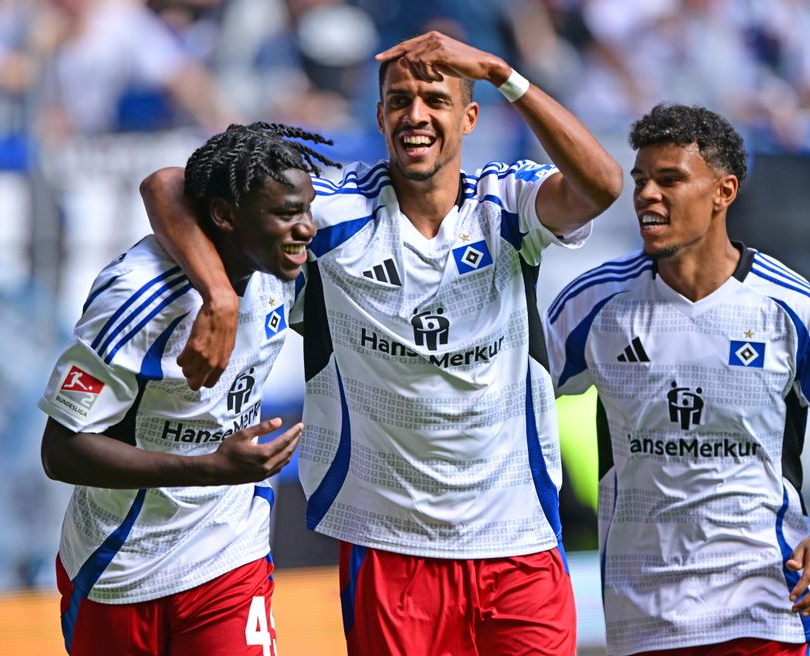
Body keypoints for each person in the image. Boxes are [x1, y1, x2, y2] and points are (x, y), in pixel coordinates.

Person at [140, 31, 623, 655]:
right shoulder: (336, 217)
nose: (415, 115)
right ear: (379, 115)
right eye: (399, 100)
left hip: (518, 541)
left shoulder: (505, 205)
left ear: (470, 116)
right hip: (390, 544)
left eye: (435, 99)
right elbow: (167, 184)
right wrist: (220, 296)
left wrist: (503, 72)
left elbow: (603, 184)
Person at [545, 103, 810, 656]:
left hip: (763, 606)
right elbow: (511, 404)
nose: (647, 196)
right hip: (642, 614)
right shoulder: (593, 304)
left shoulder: (790, 307)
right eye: (640, 181)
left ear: (723, 191)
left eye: (670, 179)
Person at [38, 122, 337, 655]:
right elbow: (60, 451)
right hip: (117, 563)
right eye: (288, 215)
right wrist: (207, 469)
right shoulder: (137, 300)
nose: (307, 229)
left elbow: (164, 182)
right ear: (224, 215)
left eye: (307, 210)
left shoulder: (278, 264)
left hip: (228, 554)